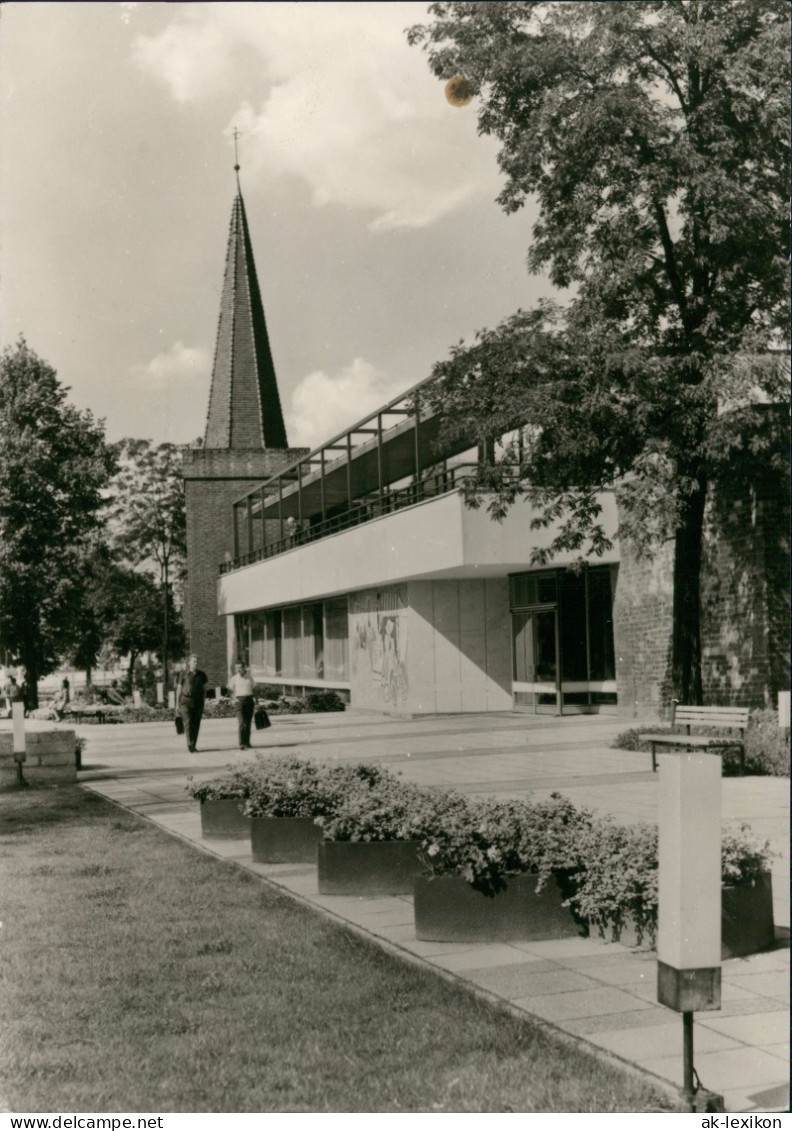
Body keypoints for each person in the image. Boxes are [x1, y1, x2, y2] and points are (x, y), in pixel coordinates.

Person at [176, 654, 208, 753]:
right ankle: (190, 745)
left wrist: (203, 702)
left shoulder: (202, 675)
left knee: (196, 724)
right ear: (189, 662)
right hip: (185, 701)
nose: (195, 663)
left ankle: (193, 745)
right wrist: (177, 704)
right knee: (188, 722)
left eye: (196, 661)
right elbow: (179, 689)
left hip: (197, 702)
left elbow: (205, 690)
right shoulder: (184, 674)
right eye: (193, 661)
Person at [228, 660, 257, 750]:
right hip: (239, 702)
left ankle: (247, 742)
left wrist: (256, 700)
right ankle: (241, 743)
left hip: (249, 700)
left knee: (248, 723)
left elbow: (254, 689)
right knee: (241, 723)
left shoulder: (250, 678)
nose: (238, 670)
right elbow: (229, 690)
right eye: (237, 668)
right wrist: (234, 698)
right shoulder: (234, 678)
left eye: (240, 667)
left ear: (244, 668)